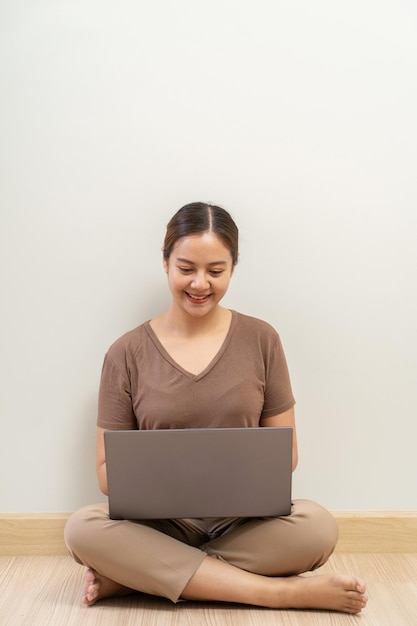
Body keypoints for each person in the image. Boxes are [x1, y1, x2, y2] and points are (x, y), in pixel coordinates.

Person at [64, 202, 368, 614]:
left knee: (317, 527)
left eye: (216, 271)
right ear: (165, 261)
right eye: (186, 268)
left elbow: (286, 454)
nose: (200, 284)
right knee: (82, 528)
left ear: (234, 267)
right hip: (159, 527)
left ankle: (140, 576)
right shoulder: (126, 353)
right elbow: (105, 473)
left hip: (244, 524)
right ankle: (278, 593)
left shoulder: (262, 340)